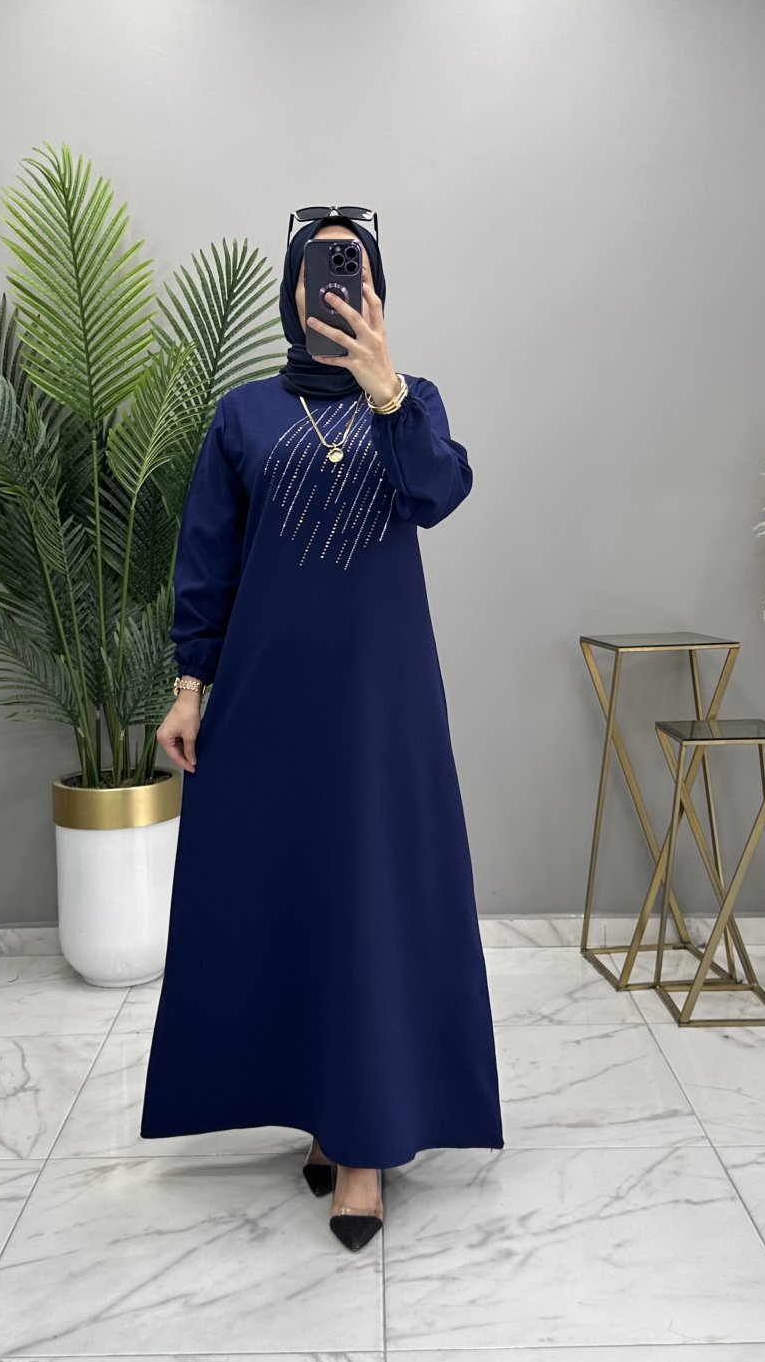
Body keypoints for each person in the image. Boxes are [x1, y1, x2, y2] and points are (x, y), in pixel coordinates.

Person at [139, 210, 504, 1251]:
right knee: (293, 897)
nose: (335, 287)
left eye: (353, 269)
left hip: (382, 707)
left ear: (375, 289)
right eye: (319, 268)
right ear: (292, 291)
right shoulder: (244, 414)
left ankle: (362, 1149)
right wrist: (189, 686)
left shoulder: (411, 403)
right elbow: (208, 556)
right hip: (271, 704)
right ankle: (320, 1108)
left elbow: (438, 492)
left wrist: (387, 390)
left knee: (372, 898)